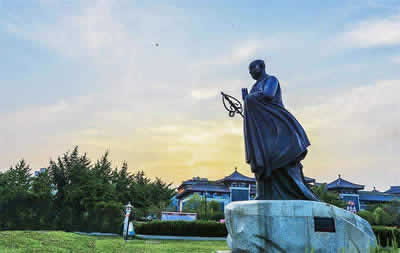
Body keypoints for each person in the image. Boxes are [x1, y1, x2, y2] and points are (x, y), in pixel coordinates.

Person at [242, 59, 318, 201]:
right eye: (249, 69)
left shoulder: (271, 80)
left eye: (253, 68)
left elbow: (268, 95)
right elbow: (255, 106)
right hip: (263, 130)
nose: (250, 72)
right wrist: (247, 100)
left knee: (280, 157)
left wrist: (249, 99)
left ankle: (296, 192)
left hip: (278, 124)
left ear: (262, 67)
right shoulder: (254, 86)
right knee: (262, 158)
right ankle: (264, 193)